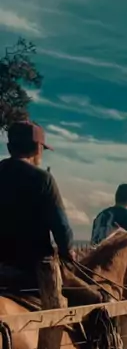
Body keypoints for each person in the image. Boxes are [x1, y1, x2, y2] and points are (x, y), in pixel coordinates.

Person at [0, 121, 75, 288]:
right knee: (96, 298)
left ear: (9, 147)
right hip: (33, 272)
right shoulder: (43, 179)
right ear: (38, 149)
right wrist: (68, 252)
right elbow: (61, 227)